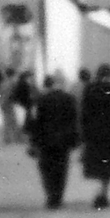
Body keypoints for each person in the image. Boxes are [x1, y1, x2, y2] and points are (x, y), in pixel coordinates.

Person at [79, 65, 110, 209]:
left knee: (96, 163)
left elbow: (84, 113)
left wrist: (83, 133)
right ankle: (103, 192)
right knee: (108, 164)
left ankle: (100, 191)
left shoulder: (90, 89)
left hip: (93, 134)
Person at [29, 74, 81, 209]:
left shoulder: (42, 99)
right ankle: (58, 196)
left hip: (45, 140)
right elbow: (74, 120)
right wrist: (75, 139)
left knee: (46, 168)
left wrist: (33, 142)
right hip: (64, 140)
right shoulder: (69, 99)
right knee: (62, 168)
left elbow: (36, 122)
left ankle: (50, 194)